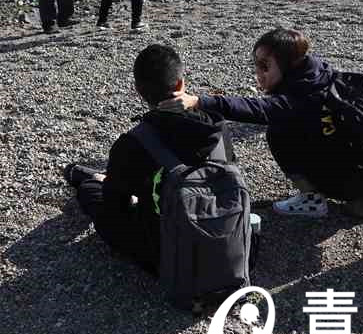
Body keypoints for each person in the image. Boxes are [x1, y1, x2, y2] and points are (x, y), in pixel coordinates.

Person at [160, 27, 363, 219]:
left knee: (278, 132)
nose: (258, 73)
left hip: (354, 178)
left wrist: (199, 100)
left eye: (265, 66)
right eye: (256, 65)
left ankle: (315, 200)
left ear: (289, 65)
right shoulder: (318, 72)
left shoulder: (298, 99)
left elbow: (257, 109)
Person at [62, 44, 235, 274]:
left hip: (168, 255)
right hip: (227, 241)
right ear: (180, 84)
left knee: (91, 190)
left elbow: (116, 211)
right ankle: (101, 177)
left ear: (137, 90)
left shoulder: (134, 143)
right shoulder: (217, 126)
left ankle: (94, 178)